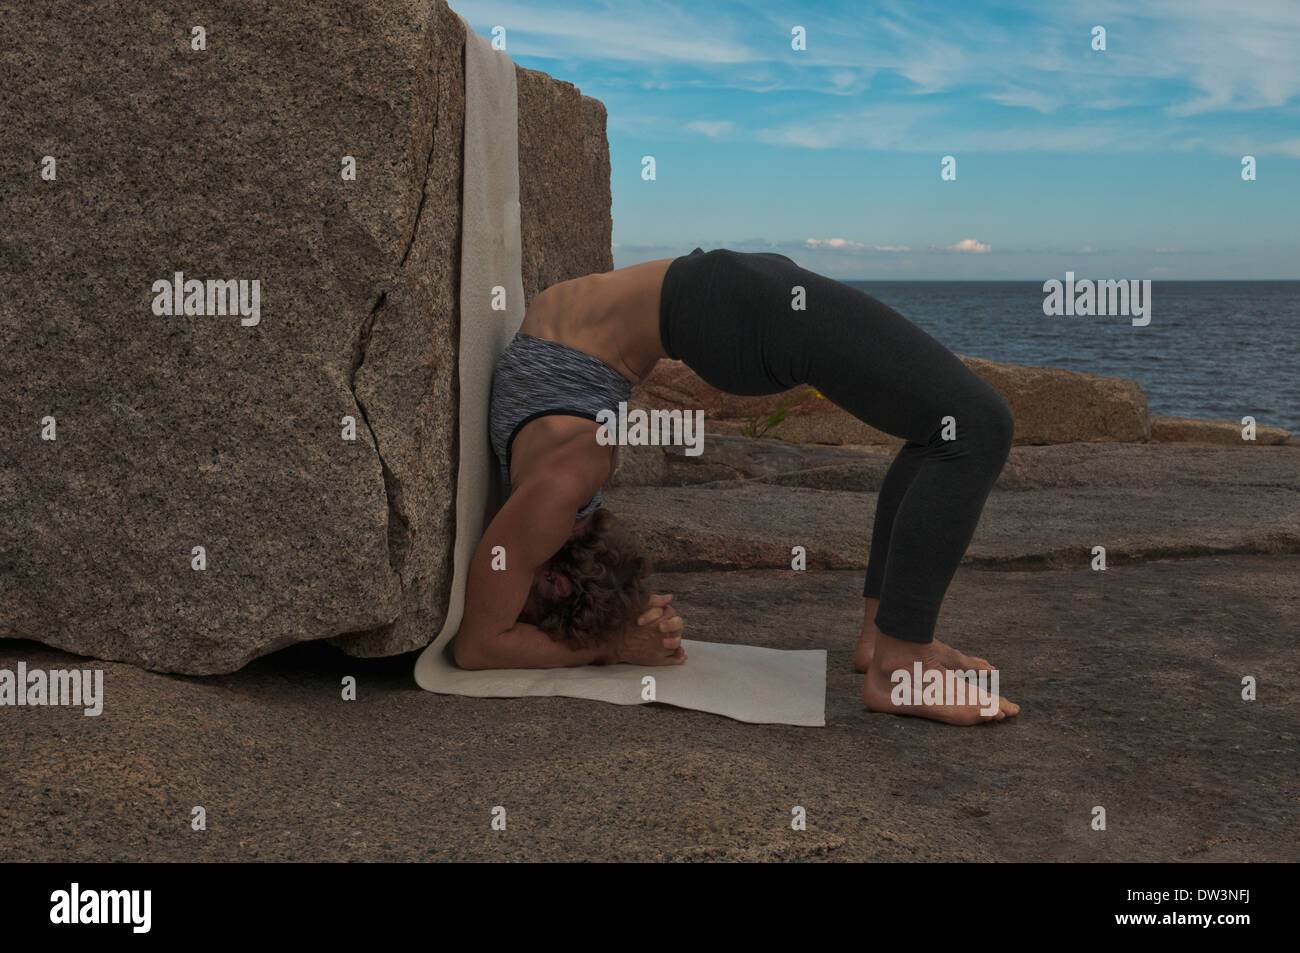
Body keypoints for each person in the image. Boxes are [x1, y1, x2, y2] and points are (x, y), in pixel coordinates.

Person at [452, 247, 1019, 726]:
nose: (507, 590)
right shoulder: (561, 484)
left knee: (942, 427)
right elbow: (480, 646)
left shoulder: (555, 493)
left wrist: (611, 636)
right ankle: (898, 663)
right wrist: (611, 643)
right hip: (726, 307)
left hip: (719, 303)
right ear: (554, 581)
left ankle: (885, 638)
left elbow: (483, 641)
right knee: (974, 424)